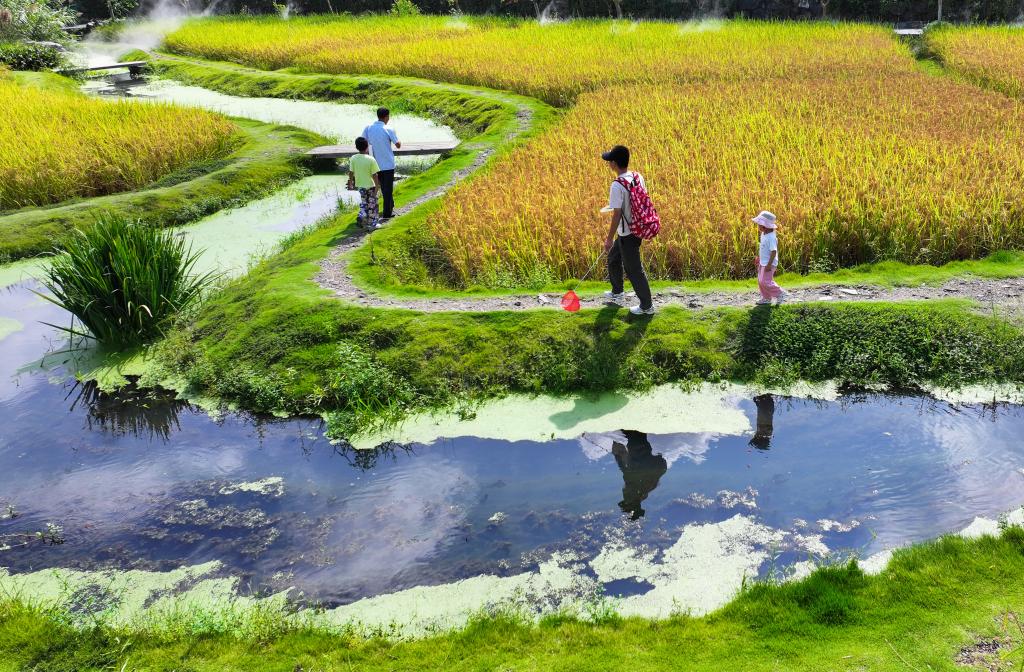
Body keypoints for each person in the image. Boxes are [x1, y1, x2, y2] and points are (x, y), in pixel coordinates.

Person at [601, 145, 655, 316]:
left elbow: (617, 214)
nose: (608, 163)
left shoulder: (617, 185)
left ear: (614, 164)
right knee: (613, 257)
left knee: (634, 269)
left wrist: (609, 239)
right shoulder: (637, 176)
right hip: (638, 227)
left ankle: (647, 306)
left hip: (627, 234)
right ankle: (617, 292)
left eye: (610, 161)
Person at [612, 430, 667, 520]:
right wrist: (617, 456)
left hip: (657, 465)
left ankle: (635, 434)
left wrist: (618, 457)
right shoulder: (637, 488)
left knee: (635, 454)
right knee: (635, 448)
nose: (624, 491)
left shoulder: (642, 492)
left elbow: (625, 470)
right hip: (650, 464)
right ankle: (634, 434)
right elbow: (625, 470)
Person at [362, 107, 401, 220]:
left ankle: (389, 207)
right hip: (387, 164)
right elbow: (398, 145)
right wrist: (398, 141)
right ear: (387, 117)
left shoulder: (368, 128)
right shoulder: (388, 128)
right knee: (387, 189)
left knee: (377, 188)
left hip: (373, 163)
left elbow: (362, 142)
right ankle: (387, 214)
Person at [753, 210, 788, 305]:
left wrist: (769, 264)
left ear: (765, 226)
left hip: (769, 263)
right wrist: (759, 258)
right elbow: (764, 248)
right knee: (760, 281)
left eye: (759, 224)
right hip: (763, 261)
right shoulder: (763, 234)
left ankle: (780, 293)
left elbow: (773, 251)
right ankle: (766, 298)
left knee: (766, 281)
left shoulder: (771, 237)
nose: (758, 226)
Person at [349, 137, 382, 230]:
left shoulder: (353, 158)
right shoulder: (371, 159)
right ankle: (373, 224)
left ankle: (362, 215)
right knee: (372, 204)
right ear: (367, 146)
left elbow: (351, 172)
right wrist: (377, 186)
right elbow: (375, 175)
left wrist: (351, 183)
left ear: (356, 147)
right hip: (371, 185)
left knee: (364, 202)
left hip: (360, 185)